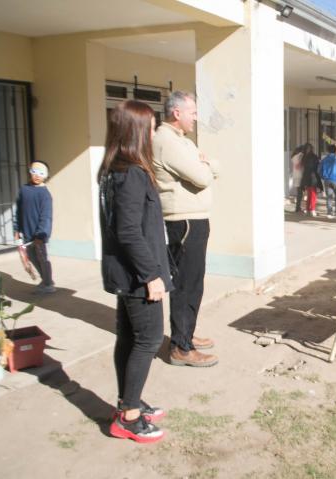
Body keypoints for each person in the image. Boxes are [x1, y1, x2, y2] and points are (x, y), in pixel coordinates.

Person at [99, 100, 171, 443]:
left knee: (129, 338)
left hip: (127, 273)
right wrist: (151, 275)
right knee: (149, 340)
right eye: (152, 126)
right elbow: (129, 232)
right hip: (137, 276)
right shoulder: (131, 175)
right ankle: (128, 418)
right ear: (137, 131)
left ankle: (129, 401)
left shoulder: (117, 170)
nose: (154, 132)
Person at [152, 91, 219, 367]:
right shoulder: (168, 142)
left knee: (194, 282)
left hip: (192, 218)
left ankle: (186, 333)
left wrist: (206, 163)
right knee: (186, 284)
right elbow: (203, 176)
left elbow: (205, 167)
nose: (196, 117)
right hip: (185, 220)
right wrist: (207, 165)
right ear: (176, 113)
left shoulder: (180, 141)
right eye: (192, 112)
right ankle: (181, 346)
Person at [14, 161, 55, 293]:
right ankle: (46, 279)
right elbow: (18, 211)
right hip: (26, 234)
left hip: (39, 236)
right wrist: (16, 229)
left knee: (43, 259)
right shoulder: (24, 190)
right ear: (30, 172)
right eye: (34, 172)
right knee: (32, 257)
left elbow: (46, 217)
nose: (37, 176)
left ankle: (48, 285)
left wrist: (41, 235)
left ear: (46, 176)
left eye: (41, 173)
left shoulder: (45, 195)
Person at [318, 144, 336, 218]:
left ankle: (329, 212)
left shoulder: (324, 160)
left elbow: (319, 170)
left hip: (327, 180)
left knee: (329, 197)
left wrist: (323, 177)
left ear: (328, 151)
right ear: (335, 151)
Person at [299, 143, 322, 217]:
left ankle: (308, 209)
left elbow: (303, 167)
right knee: (313, 195)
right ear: (311, 149)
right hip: (313, 178)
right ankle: (312, 210)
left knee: (309, 194)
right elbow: (317, 167)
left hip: (306, 178)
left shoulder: (304, 157)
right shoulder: (314, 157)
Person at [290, 145, 305, 213]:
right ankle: (298, 208)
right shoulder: (300, 155)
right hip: (300, 176)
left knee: (299, 193)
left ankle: (298, 207)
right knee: (300, 194)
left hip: (295, 176)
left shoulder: (293, 157)